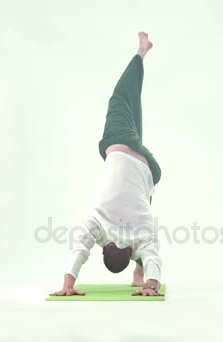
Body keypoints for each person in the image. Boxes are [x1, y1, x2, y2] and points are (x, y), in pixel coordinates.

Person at [49, 32, 164, 297]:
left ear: (129, 250)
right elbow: (79, 247)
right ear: (103, 247)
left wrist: (151, 284)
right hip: (122, 145)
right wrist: (68, 284)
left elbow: (152, 252)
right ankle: (142, 51)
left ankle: (139, 273)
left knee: (144, 206)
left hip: (149, 170)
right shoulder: (96, 222)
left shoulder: (140, 232)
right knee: (121, 99)